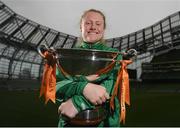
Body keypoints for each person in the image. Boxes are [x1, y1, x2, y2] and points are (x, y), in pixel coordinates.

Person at [56, 9, 123, 127]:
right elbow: (56, 86)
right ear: (81, 27)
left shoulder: (114, 55)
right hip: (69, 123)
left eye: (98, 24)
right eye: (88, 23)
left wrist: (77, 103)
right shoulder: (66, 55)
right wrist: (83, 87)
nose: (93, 27)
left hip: (105, 123)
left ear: (103, 29)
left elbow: (110, 87)